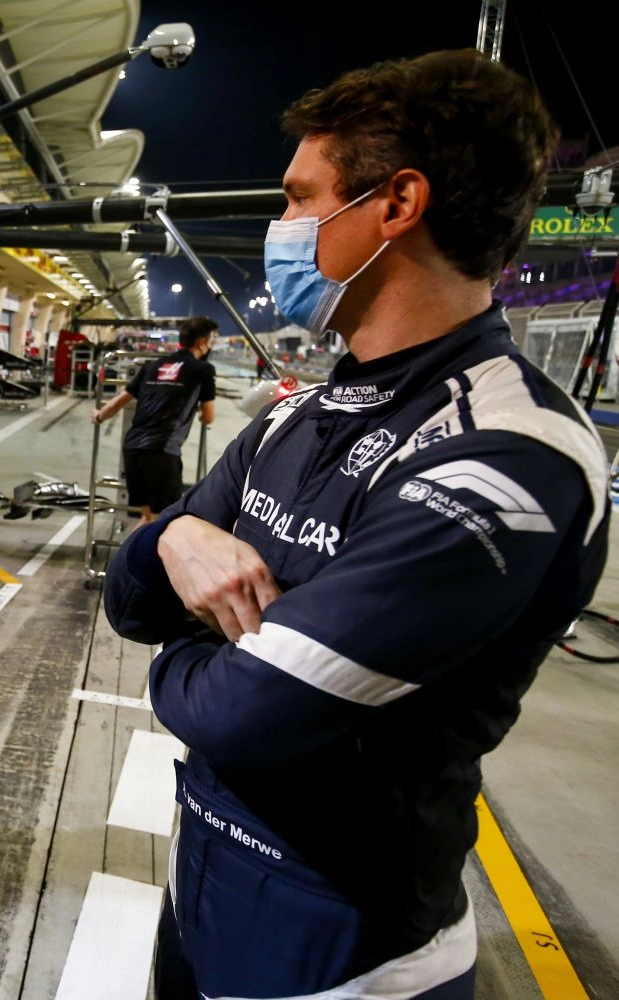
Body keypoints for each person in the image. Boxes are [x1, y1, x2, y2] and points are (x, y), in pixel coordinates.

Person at [103, 50, 608, 1000]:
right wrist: (173, 538)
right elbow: (131, 602)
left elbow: (246, 714)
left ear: (396, 205)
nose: (280, 228)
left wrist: (182, 660)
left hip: (349, 950)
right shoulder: (299, 416)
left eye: (299, 199)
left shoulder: (508, 453)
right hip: (204, 891)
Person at [91, 316, 217, 524]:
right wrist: (200, 415)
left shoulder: (154, 365)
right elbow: (209, 417)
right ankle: (136, 557)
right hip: (162, 452)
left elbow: (118, 401)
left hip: (132, 448)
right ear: (201, 343)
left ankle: (126, 556)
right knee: (164, 523)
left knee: (148, 517)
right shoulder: (203, 370)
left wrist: (98, 416)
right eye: (211, 340)